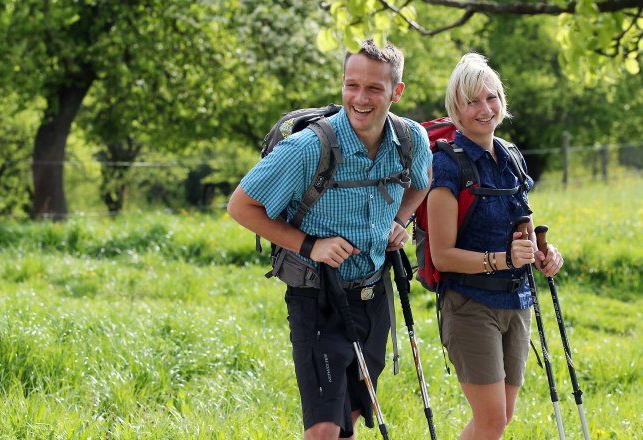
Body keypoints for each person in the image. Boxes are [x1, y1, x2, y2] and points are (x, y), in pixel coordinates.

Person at [227, 40, 431, 439]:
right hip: (316, 298)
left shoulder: (410, 140)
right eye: (351, 85)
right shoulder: (307, 148)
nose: (360, 98)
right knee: (322, 429)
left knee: (349, 418)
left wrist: (399, 220)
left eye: (374, 88)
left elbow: (422, 183)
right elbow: (241, 206)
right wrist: (310, 245)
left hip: (374, 297)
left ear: (397, 92)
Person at [427, 53, 564, 440]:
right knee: (489, 420)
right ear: (456, 108)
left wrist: (542, 254)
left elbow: (522, 225)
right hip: (470, 305)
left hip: (516, 302)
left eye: (491, 98)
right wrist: (502, 259)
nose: (484, 109)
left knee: (500, 419)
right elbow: (443, 255)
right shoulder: (447, 166)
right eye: (472, 101)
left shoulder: (511, 158)